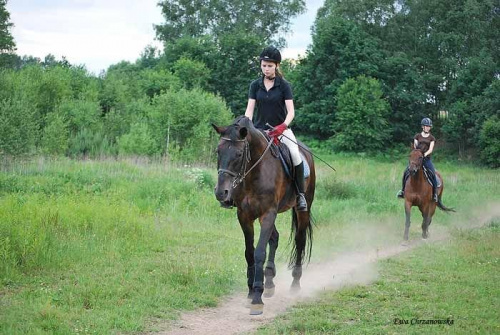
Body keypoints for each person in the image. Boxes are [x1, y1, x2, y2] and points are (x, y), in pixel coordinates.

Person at [244, 46, 307, 211]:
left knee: (294, 153)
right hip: (258, 130)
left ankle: (300, 195)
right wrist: (247, 126)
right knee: (240, 152)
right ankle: (235, 193)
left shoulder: (284, 85)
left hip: (281, 129)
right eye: (263, 65)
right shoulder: (255, 85)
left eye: (269, 66)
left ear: (277, 65)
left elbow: (291, 112)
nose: (266, 69)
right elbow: (249, 111)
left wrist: (283, 126)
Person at [397, 117, 439, 202]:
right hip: (416, 160)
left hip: (426, 159)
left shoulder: (432, 138)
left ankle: (434, 194)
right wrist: (416, 155)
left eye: (429, 126)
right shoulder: (417, 136)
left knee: (433, 174)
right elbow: (415, 147)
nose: (428, 127)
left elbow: (431, 149)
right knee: (406, 172)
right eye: (426, 126)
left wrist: (424, 155)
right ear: (422, 127)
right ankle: (402, 191)